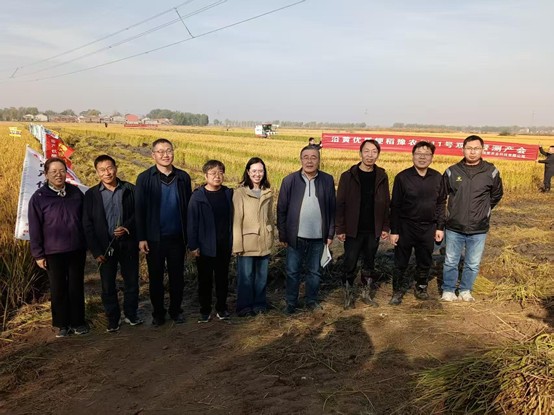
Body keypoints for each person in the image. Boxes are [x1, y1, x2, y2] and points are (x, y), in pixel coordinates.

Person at [28, 157, 88, 338]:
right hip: (53, 252)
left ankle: (78, 322)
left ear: (66, 172)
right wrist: (38, 254)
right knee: (58, 288)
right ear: (46, 174)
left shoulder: (75, 193)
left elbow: (85, 220)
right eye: (53, 171)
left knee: (76, 286)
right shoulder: (39, 197)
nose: (58, 175)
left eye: (62, 171)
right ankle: (62, 324)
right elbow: (35, 228)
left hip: (76, 249)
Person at [135, 138, 192, 326]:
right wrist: (142, 237)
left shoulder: (183, 177)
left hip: (177, 237)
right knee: (156, 278)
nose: (165, 155)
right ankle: (158, 313)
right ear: (153, 155)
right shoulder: (144, 178)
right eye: (160, 151)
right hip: (154, 238)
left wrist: (189, 237)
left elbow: (188, 208)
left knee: (177, 277)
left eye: (168, 150)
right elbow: (139, 210)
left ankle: (176, 310)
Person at [83, 155, 142, 333]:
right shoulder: (91, 194)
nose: (107, 173)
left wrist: (127, 227)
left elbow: (139, 214)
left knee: (131, 281)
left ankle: (131, 314)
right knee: (108, 285)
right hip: (105, 247)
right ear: (97, 172)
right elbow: (87, 224)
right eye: (102, 170)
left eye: (109, 168)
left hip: (128, 244)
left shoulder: (130, 189)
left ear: (116, 168)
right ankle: (113, 319)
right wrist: (96, 251)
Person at [441, 135, 503, 302]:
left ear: (482, 150)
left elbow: (497, 194)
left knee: (473, 263)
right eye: (469, 148)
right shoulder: (452, 171)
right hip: (454, 226)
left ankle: (465, 290)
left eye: (476, 148)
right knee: (451, 261)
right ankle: (448, 290)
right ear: (463, 149)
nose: (473, 152)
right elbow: (442, 195)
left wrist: (484, 210)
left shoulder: (491, 171)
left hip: (479, 227)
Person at [277, 146, 336, 314]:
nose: (310, 161)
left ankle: (311, 301)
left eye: (314, 157)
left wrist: (330, 233)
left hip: (318, 237)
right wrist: (283, 234)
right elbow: (281, 209)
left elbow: (332, 209)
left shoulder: (327, 180)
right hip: (295, 236)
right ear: (301, 159)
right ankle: (291, 302)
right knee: (292, 271)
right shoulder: (289, 181)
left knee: (314, 272)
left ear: (319, 160)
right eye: (306, 157)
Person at [388, 142, 446, 305]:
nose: (422, 157)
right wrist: (394, 230)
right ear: (413, 156)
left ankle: (421, 287)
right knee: (401, 261)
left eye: (426, 154)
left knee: (425, 260)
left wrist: (440, 227)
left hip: (428, 227)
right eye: (419, 153)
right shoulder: (402, 177)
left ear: (432, 157)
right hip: (406, 226)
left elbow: (441, 203)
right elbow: (395, 205)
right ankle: (397, 291)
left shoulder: (437, 177)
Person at [336, 139, 390, 308]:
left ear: (378, 154)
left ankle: (366, 294)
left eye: (374, 152)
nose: (370, 155)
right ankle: (348, 295)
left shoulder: (382, 175)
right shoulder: (348, 176)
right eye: (366, 151)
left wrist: (385, 226)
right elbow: (340, 203)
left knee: (369, 262)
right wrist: (340, 228)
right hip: (353, 229)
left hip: (373, 228)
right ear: (360, 153)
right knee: (350, 262)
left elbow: (386, 202)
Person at [187, 160, 233, 323]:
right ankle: (205, 310)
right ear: (205, 176)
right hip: (205, 246)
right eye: (213, 173)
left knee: (222, 279)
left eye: (220, 172)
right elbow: (192, 222)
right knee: (204, 280)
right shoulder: (198, 197)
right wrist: (193, 245)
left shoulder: (228, 193)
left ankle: (221, 308)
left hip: (223, 245)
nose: (217, 176)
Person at [232, 157, 274, 317]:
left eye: (260, 171)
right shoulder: (240, 193)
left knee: (262, 277)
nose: (257, 174)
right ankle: (244, 307)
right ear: (248, 172)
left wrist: (271, 236)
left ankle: (259, 305)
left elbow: (270, 217)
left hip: (264, 240)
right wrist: (237, 245)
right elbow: (236, 220)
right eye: (254, 171)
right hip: (247, 242)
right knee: (246, 277)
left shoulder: (267, 192)